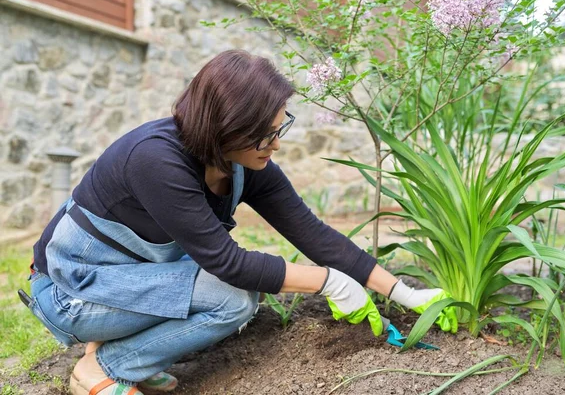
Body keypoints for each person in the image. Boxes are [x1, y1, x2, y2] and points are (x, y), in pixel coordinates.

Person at [25, 50, 456, 395]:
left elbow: (312, 233)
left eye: (278, 128)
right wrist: (330, 282)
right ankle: (105, 368)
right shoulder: (156, 160)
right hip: (70, 294)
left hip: (127, 282)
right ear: (226, 127)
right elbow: (228, 263)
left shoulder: (244, 163)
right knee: (232, 297)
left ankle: (126, 352)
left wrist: (404, 292)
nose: (276, 144)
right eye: (265, 134)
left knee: (234, 293)